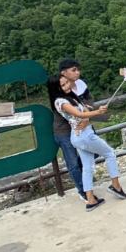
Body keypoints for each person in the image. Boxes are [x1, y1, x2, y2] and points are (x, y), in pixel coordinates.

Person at [52, 74, 126, 210]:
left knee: (87, 167)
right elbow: (79, 114)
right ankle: (116, 186)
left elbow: (85, 112)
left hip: (79, 135)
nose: (67, 86)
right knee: (110, 153)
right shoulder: (60, 101)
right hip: (84, 136)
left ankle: (91, 200)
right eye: (62, 85)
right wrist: (97, 112)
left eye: (67, 82)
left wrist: (88, 117)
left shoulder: (72, 97)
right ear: (56, 88)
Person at [50, 58, 87, 198]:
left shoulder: (79, 86)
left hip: (80, 128)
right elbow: (75, 112)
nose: (77, 73)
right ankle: (83, 191)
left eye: (77, 69)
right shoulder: (59, 92)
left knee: (90, 154)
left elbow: (88, 102)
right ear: (63, 73)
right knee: (73, 163)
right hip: (65, 131)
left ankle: (86, 185)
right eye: (74, 70)